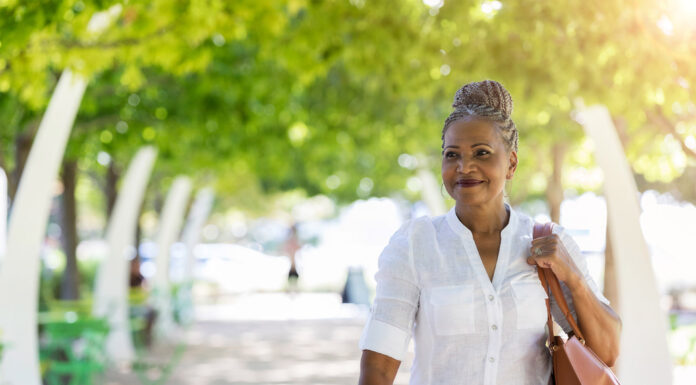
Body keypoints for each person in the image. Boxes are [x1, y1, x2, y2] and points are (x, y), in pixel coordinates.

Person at [358, 80, 621, 385]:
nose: (464, 167)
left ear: (511, 163)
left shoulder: (547, 243)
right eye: (451, 154)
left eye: (481, 153)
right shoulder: (415, 245)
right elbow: (378, 365)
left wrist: (572, 277)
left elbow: (608, 350)